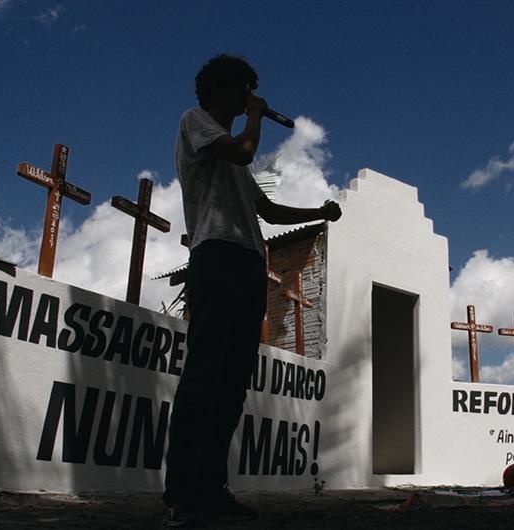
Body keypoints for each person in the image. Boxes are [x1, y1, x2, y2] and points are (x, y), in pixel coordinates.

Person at [162, 54, 342, 528]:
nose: (249, 97)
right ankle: (182, 495)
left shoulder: (235, 162)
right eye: (243, 88)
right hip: (215, 256)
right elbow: (243, 150)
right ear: (218, 88)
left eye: (251, 91)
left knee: (232, 382)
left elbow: (270, 213)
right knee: (204, 375)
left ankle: (212, 489)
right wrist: (257, 118)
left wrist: (319, 212)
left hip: (247, 263)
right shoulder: (196, 122)